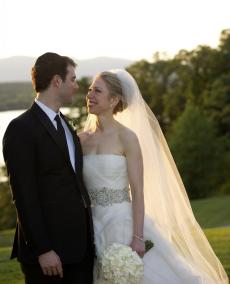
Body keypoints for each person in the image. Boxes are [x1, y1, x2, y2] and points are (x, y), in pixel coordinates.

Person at [78, 69, 229, 283]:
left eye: (98, 91)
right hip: (90, 226)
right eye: (90, 89)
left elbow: (138, 191)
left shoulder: (127, 138)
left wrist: (138, 237)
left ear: (114, 100)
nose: (90, 95)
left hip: (122, 223)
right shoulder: (80, 140)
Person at [2, 52, 94, 284]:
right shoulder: (20, 128)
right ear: (56, 81)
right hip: (48, 255)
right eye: (72, 79)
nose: (76, 86)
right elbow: (24, 196)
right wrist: (43, 249)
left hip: (80, 250)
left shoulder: (65, 125)